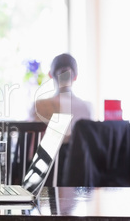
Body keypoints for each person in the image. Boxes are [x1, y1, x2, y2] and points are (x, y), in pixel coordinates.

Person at [28, 53, 93, 184]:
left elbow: (30, 148)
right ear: (75, 77)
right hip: (82, 175)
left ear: (50, 75)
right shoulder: (87, 107)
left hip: (46, 176)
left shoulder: (40, 105)